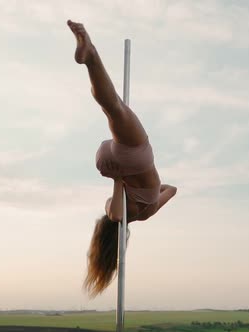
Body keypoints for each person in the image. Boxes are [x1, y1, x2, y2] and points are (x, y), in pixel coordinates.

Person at [67, 20, 177, 297]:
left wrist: (136, 185)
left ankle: (91, 58)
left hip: (133, 161)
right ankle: (90, 57)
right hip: (108, 162)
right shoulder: (116, 209)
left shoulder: (142, 213)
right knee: (112, 110)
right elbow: (116, 211)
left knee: (113, 106)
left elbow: (170, 190)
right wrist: (117, 178)